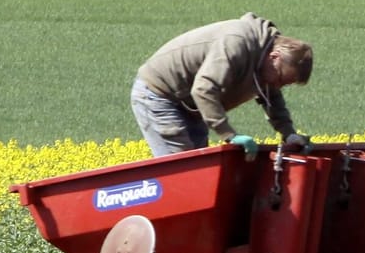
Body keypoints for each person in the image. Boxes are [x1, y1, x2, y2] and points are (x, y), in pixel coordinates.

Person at [131, 13, 312, 159]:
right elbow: (204, 89)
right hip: (159, 94)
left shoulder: (266, 60)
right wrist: (229, 135)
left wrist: (289, 134)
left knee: (198, 168)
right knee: (181, 169)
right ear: (275, 57)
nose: (277, 86)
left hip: (190, 106)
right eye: (280, 79)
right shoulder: (236, 44)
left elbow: (272, 97)